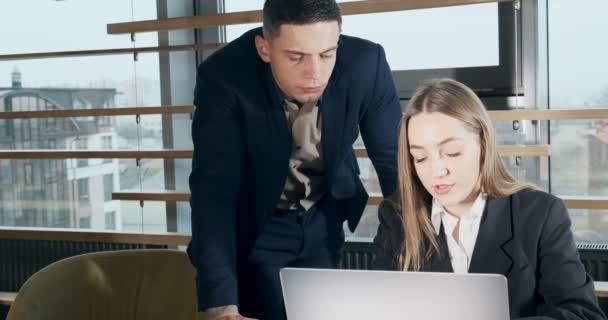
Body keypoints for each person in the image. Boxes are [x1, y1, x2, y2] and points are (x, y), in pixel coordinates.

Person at [187, 0, 401, 319]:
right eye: (296, 57)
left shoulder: (366, 64)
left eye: (327, 55)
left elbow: (395, 166)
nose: (314, 73)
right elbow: (214, 196)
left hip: (324, 216)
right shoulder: (224, 78)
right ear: (264, 48)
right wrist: (220, 305)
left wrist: (429, 257)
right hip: (258, 224)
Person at [373, 78, 606, 319]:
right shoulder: (396, 219)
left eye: (452, 153)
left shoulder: (539, 214)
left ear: (483, 145)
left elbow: (583, 314)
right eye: (420, 158)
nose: (437, 171)